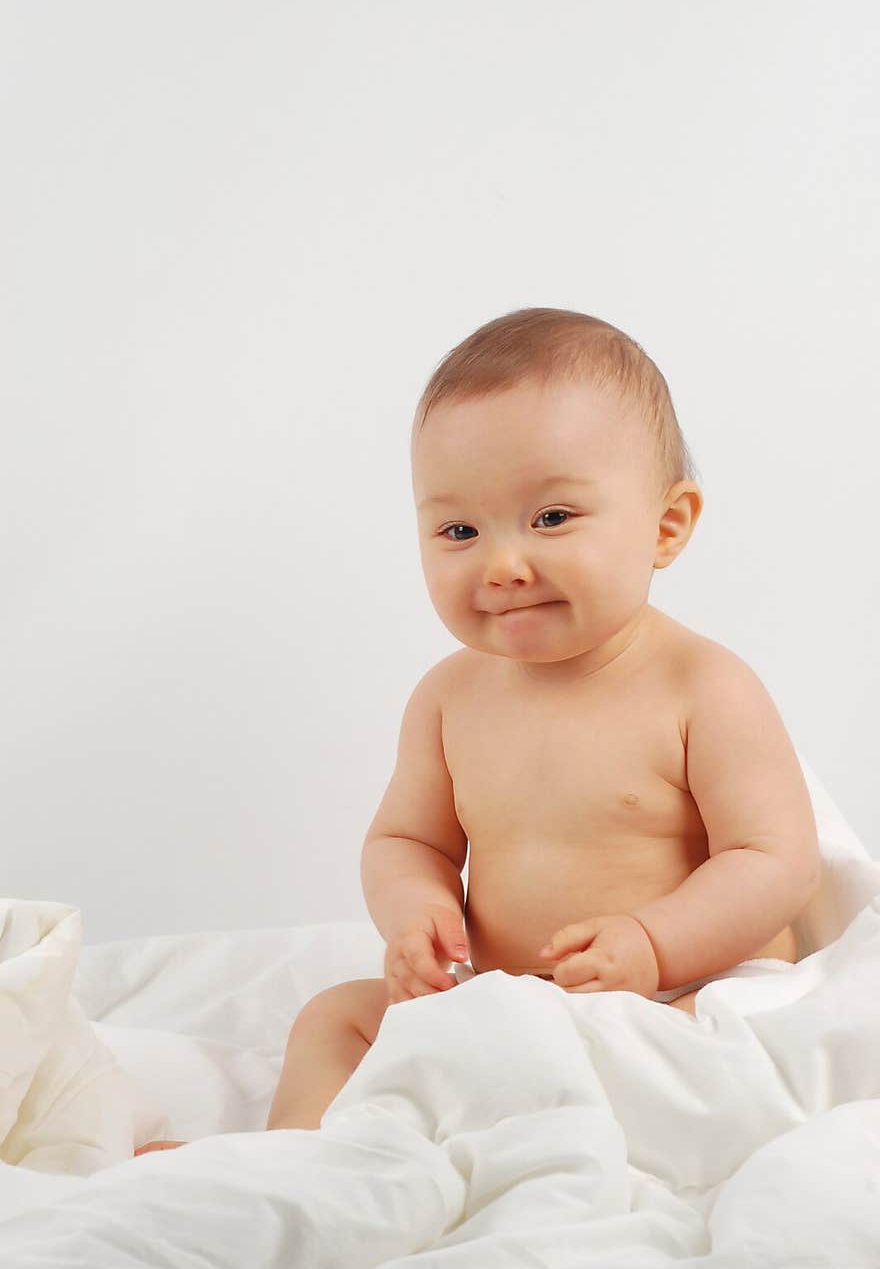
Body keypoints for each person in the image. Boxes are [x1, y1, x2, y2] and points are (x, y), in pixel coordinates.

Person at [135, 306, 817, 1155]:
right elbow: (404, 838)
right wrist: (415, 914)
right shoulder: (450, 698)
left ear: (667, 525)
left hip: (673, 995)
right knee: (333, 1017)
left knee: (716, 1056)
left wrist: (654, 944)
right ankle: (288, 1156)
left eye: (553, 518)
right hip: (501, 997)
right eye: (460, 530)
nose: (502, 564)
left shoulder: (703, 687)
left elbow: (777, 861)